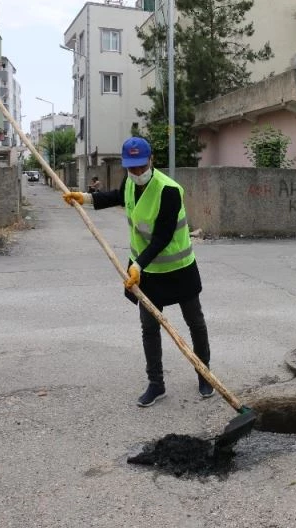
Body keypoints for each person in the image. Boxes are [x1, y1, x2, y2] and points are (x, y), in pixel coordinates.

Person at [62, 137, 214, 407]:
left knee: (195, 323)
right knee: (149, 328)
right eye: (131, 168)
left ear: (151, 160)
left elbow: (163, 237)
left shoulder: (169, 190)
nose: (136, 173)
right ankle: (156, 384)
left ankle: (204, 375)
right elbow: (117, 197)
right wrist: (84, 198)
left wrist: (137, 265)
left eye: (141, 167)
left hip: (179, 269)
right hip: (146, 272)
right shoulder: (130, 181)